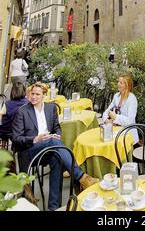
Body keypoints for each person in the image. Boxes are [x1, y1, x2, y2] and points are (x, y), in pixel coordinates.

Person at [12, 83, 98, 211]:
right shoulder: (22, 112)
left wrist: (57, 135)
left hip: (49, 148)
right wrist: (35, 138)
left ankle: (53, 207)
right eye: (32, 94)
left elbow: (57, 128)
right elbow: (16, 139)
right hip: (30, 150)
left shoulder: (51, 108)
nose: (34, 97)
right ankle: (81, 177)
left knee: (57, 158)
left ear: (44, 96)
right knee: (53, 141)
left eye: (37, 94)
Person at [102, 74, 138, 143]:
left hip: (128, 133)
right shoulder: (116, 96)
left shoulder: (132, 99)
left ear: (127, 86)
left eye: (121, 83)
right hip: (116, 130)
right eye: (118, 82)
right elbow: (106, 112)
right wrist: (106, 120)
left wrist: (115, 117)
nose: (118, 84)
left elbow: (130, 121)